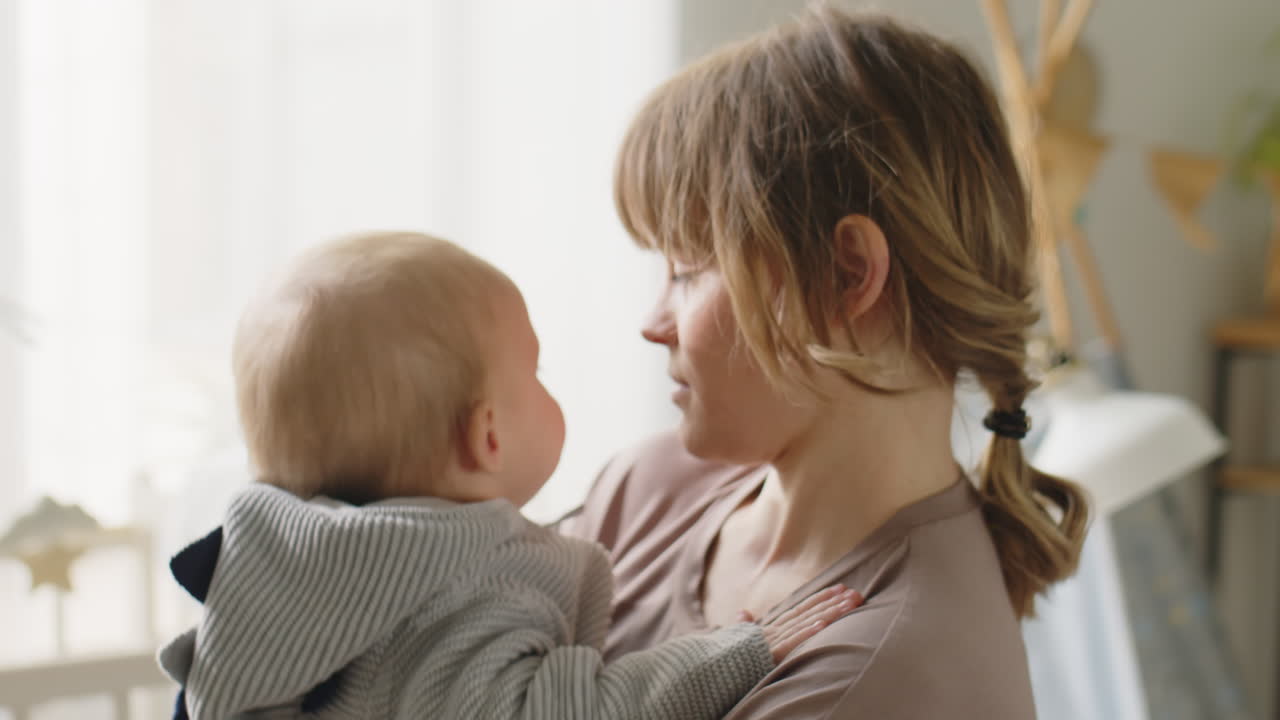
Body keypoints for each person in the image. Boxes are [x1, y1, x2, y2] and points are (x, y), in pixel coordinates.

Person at [558, 6, 1091, 718]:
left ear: (846, 274)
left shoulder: (881, 677)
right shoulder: (650, 490)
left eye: (688, 270)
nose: (654, 325)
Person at [156, 231, 862, 719]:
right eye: (536, 371)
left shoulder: (301, 585)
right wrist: (732, 655)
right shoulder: (463, 601)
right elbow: (575, 709)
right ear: (487, 435)